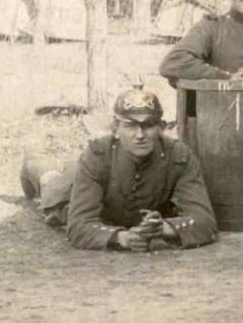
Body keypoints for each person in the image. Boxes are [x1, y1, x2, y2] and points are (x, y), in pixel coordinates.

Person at [19, 88, 218, 251]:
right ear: (115, 128)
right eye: (131, 126)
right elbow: (79, 226)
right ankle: (33, 159)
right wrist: (122, 238)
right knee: (51, 185)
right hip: (76, 196)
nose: (140, 135)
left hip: (112, 200)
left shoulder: (179, 156)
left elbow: (205, 221)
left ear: (161, 127)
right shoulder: (98, 154)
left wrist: (163, 229)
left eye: (148, 125)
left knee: (63, 172)